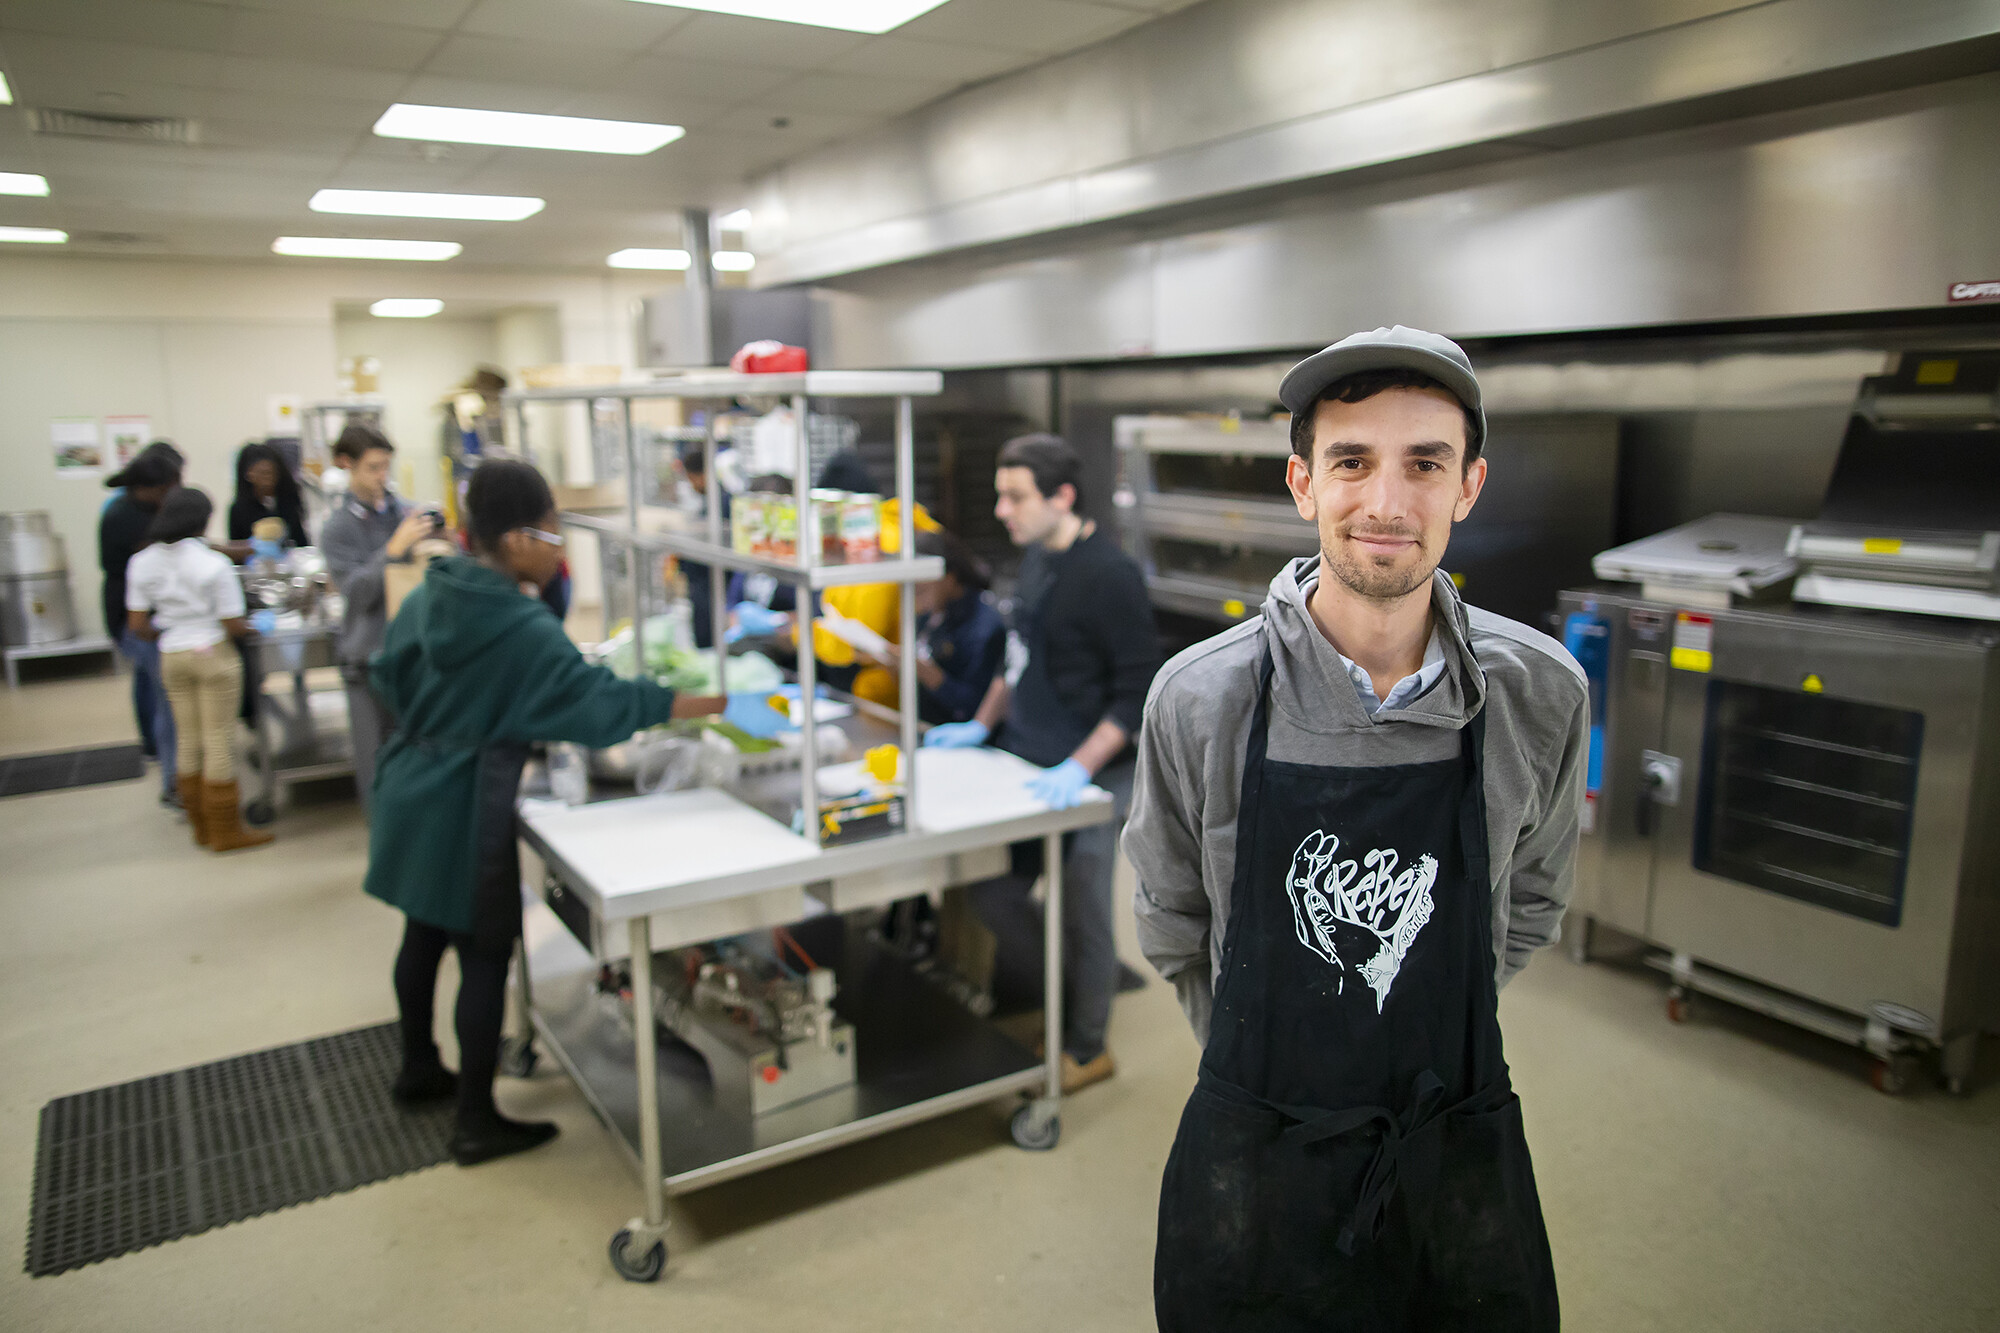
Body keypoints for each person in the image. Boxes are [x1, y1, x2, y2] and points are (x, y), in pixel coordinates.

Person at [1126, 326, 1585, 1330]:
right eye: (1350, 462)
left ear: (1467, 484)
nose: (1385, 502)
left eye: (1423, 464)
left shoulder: (1536, 693)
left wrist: (1431, 1015)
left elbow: (1533, 895)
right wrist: (1264, 1075)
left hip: (1449, 1135)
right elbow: (1169, 916)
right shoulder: (1200, 698)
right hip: (1250, 1146)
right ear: (1301, 483)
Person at [365, 459, 725, 1165]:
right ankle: (474, 1119)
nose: (559, 545)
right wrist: (693, 703)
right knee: (483, 952)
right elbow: (597, 705)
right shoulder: (519, 625)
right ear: (519, 538)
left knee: (423, 936)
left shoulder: (432, 592)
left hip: (410, 779)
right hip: (468, 796)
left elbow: (387, 675)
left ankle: (417, 1067)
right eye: (553, 530)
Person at [924, 433, 1159, 1093]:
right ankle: (1062, 998)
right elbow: (1015, 655)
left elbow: (1136, 691)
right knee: (993, 891)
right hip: (1024, 765)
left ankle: (1087, 1046)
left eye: (1015, 496)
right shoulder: (1033, 560)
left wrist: (1080, 767)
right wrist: (979, 723)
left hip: (1089, 776)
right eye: (1001, 495)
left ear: (1061, 496)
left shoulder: (1109, 575)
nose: (1002, 509)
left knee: (1083, 908)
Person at [124, 487, 273, 853]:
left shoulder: (142, 561)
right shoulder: (213, 564)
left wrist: (170, 627)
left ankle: (201, 828)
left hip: (172, 656)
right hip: (213, 657)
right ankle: (226, 833)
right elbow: (233, 624)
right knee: (219, 741)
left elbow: (137, 625)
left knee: (188, 740)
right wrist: (261, 625)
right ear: (202, 520)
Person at [320, 424, 435, 810]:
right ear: (346, 466)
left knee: (419, 752)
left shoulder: (404, 513)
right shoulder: (338, 528)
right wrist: (393, 549)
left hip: (412, 652)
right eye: (372, 468)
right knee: (376, 761)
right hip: (367, 658)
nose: (382, 477)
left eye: (386, 466)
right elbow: (356, 593)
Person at [100, 446, 182, 805]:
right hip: (135, 622)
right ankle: (173, 784)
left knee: (161, 696)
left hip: (150, 620)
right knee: (169, 703)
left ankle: (172, 768)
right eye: (168, 488)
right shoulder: (124, 519)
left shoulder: (142, 508)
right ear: (149, 488)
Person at [866, 529, 1005, 725]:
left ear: (949, 577)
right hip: (925, 725)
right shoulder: (928, 614)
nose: (914, 596)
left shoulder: (984, 626)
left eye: (920, 589)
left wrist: (928, 674)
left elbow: (977, 705)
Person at [227, 441, 309, 548]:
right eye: (262, 473)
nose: (268, 479)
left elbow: (301, 542)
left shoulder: (289, 502)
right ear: (248, 475)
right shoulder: (239, 509)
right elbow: (236, 546)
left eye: (271, 473)